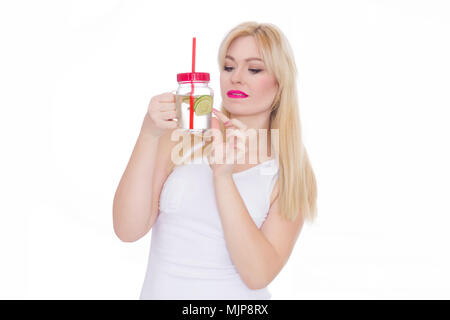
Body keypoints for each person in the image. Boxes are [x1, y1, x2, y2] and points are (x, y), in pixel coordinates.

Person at [112, 21, 318, 300]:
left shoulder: (290, 173)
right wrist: (148, 134)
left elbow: (257, 274)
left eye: (254, 69)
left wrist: (223, 177)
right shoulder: (179, 139)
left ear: (281, 83)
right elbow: (127, 229)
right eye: (229, 66)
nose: (237, 78)